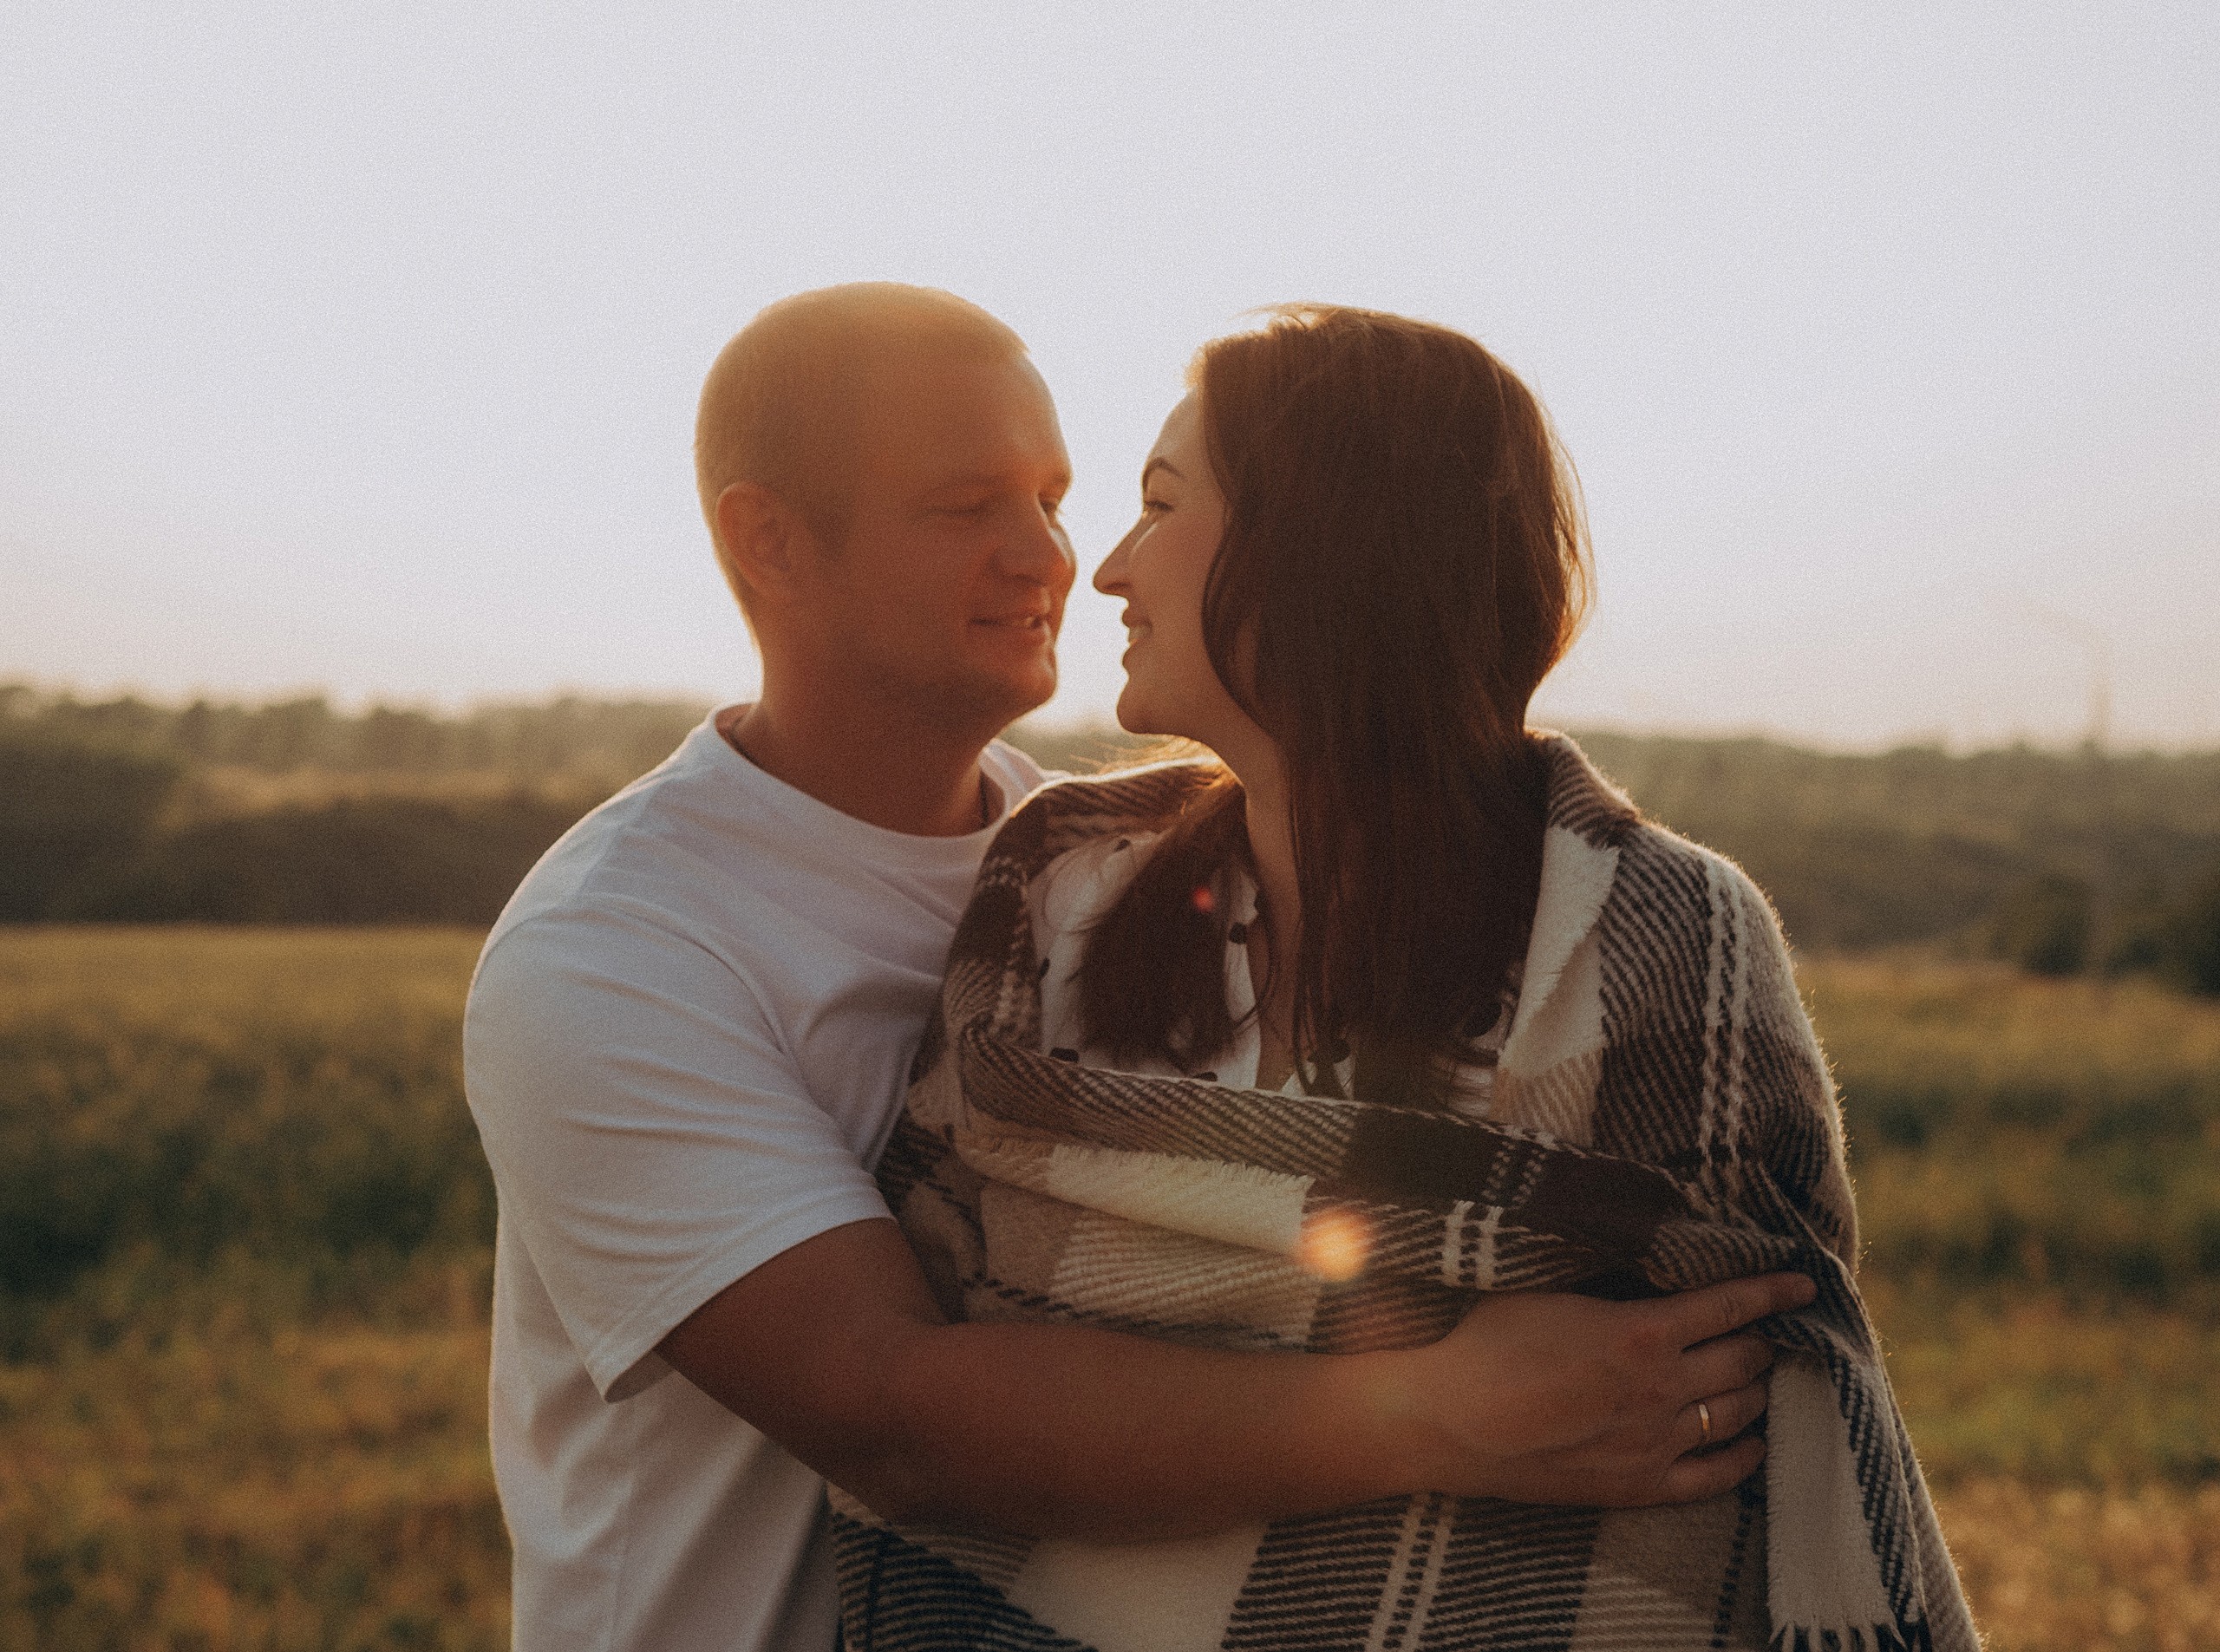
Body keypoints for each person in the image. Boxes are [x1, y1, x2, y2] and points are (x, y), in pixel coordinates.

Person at [463, 285, 1817, 1652]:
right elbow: (893, 1411)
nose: (1056, 559)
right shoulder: (617, 949)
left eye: (1056, 498)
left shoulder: (1089, 887)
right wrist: (1437, 1409)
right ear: (769, 540)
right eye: (965, 507)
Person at [847, 306, 1979, 1650]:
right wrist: (1433, 1405)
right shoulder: (1057, 891)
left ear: (1320, 549)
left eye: (1160, 504)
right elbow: (937, 1369)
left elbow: (1738, 1386)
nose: (1107, 568)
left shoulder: (1657, 935)